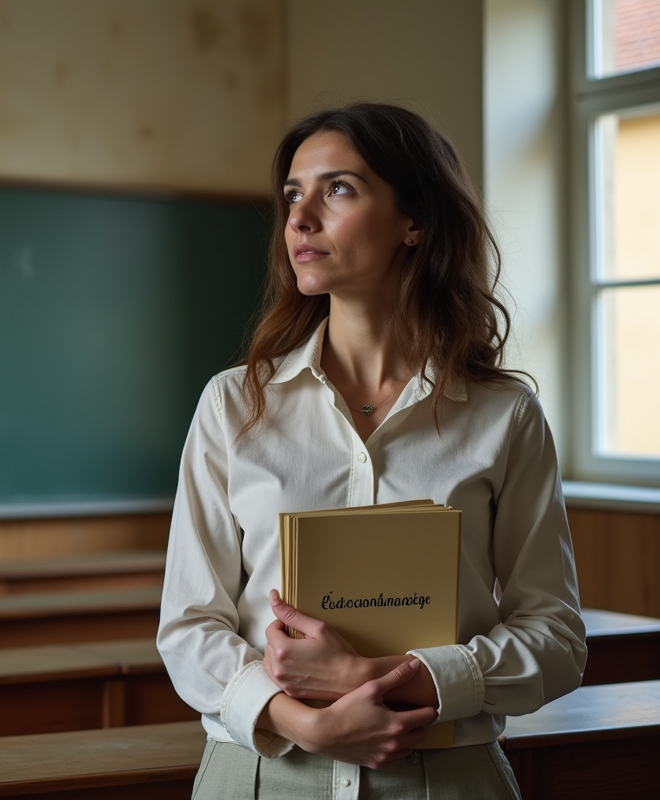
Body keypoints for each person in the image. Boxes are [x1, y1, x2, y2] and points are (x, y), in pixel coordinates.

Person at [156, 103, 587, 798]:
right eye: (294, 193)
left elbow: (556, 637)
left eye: (338, 189)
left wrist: (396, 678)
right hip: (265, 775)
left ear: (414, 220)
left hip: (446, 779)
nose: (300, 217)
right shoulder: (233, 404)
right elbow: (189, 628)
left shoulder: (506, 416)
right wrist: (303, 720)